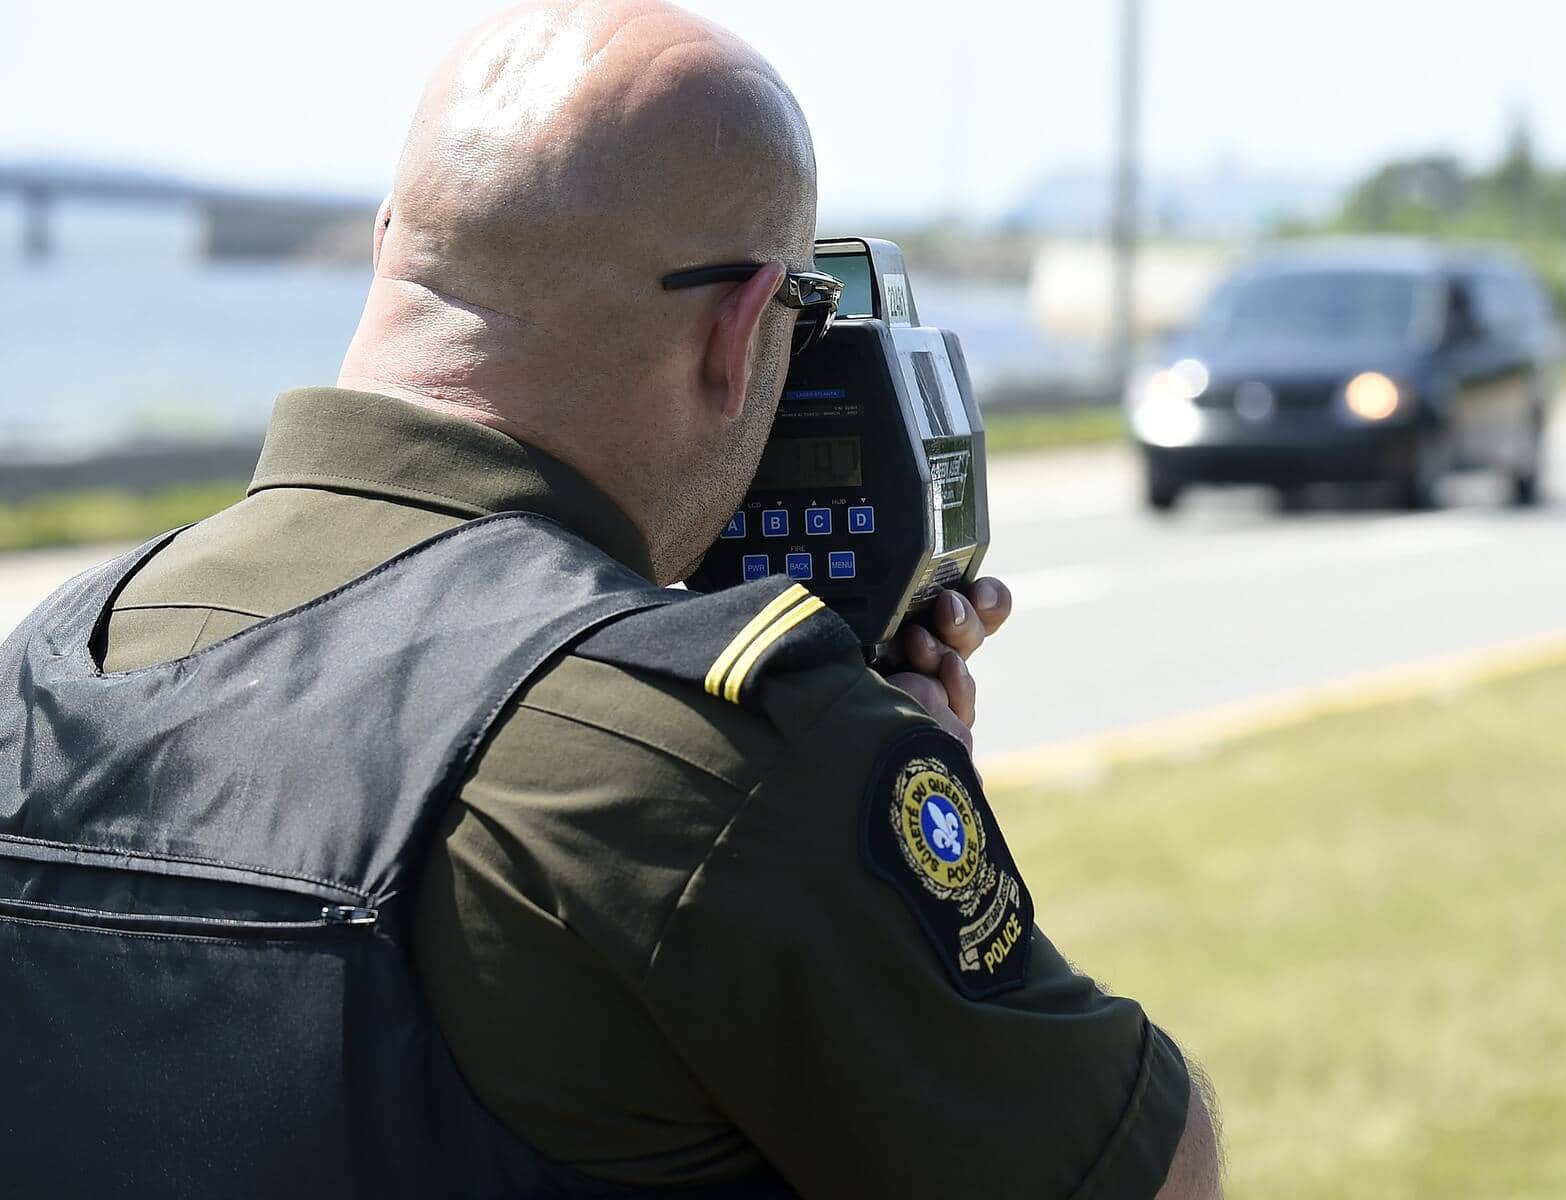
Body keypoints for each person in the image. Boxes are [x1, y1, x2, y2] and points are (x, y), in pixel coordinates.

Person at [5, 1, 1221, 1195]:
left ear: (391, 247)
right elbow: (1150, 1175)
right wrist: (899, 817)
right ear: (741, 332)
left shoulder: (45, 667)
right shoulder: (713, 755)